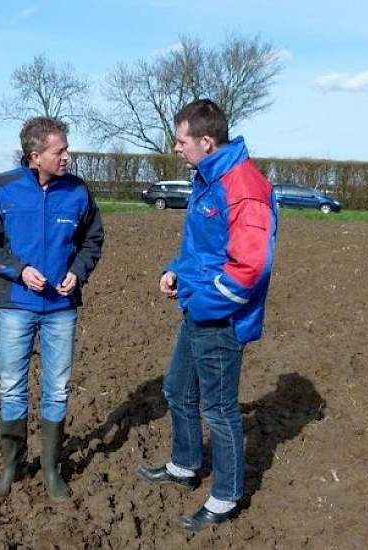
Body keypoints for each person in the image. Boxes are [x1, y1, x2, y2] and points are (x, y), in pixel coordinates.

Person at [135, 99, 278, 531]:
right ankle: (185, 464)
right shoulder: (208, 178)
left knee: (219, 409)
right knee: (178, 390)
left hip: (220, 317)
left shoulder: (243, 186)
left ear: (206, 141)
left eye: (181, 141)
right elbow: (203, 248)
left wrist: (204, 302)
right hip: (198, 307)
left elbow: (249, 268)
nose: (176, 148)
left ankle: (226, 496)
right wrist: (175, 271)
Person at [0, 116, 104, 502]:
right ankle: (12, 466)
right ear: (36, 156)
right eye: (59, 150)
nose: (67, 155)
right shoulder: (4, 188)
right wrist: (19, 270)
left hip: (61, 308)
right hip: (17, 306)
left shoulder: (79, 192)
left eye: (66, 148)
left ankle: (51, 468)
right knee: (12, 386)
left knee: (57, 388)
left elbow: (93, 240)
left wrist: (78, 273)